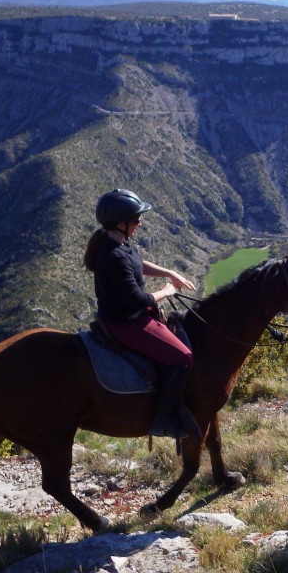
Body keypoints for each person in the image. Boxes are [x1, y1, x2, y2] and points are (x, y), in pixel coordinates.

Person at [83, 188, 201, 441]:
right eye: (136, 219)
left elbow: (138, 263)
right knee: (183, 358)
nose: (140, 222)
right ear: (121, 223)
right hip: (127, 322)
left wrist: (170, 272)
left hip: (131, 315)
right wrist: (166, 291)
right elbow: (137, 299)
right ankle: (162, 420)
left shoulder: (116, 243)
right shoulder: (113, 255)